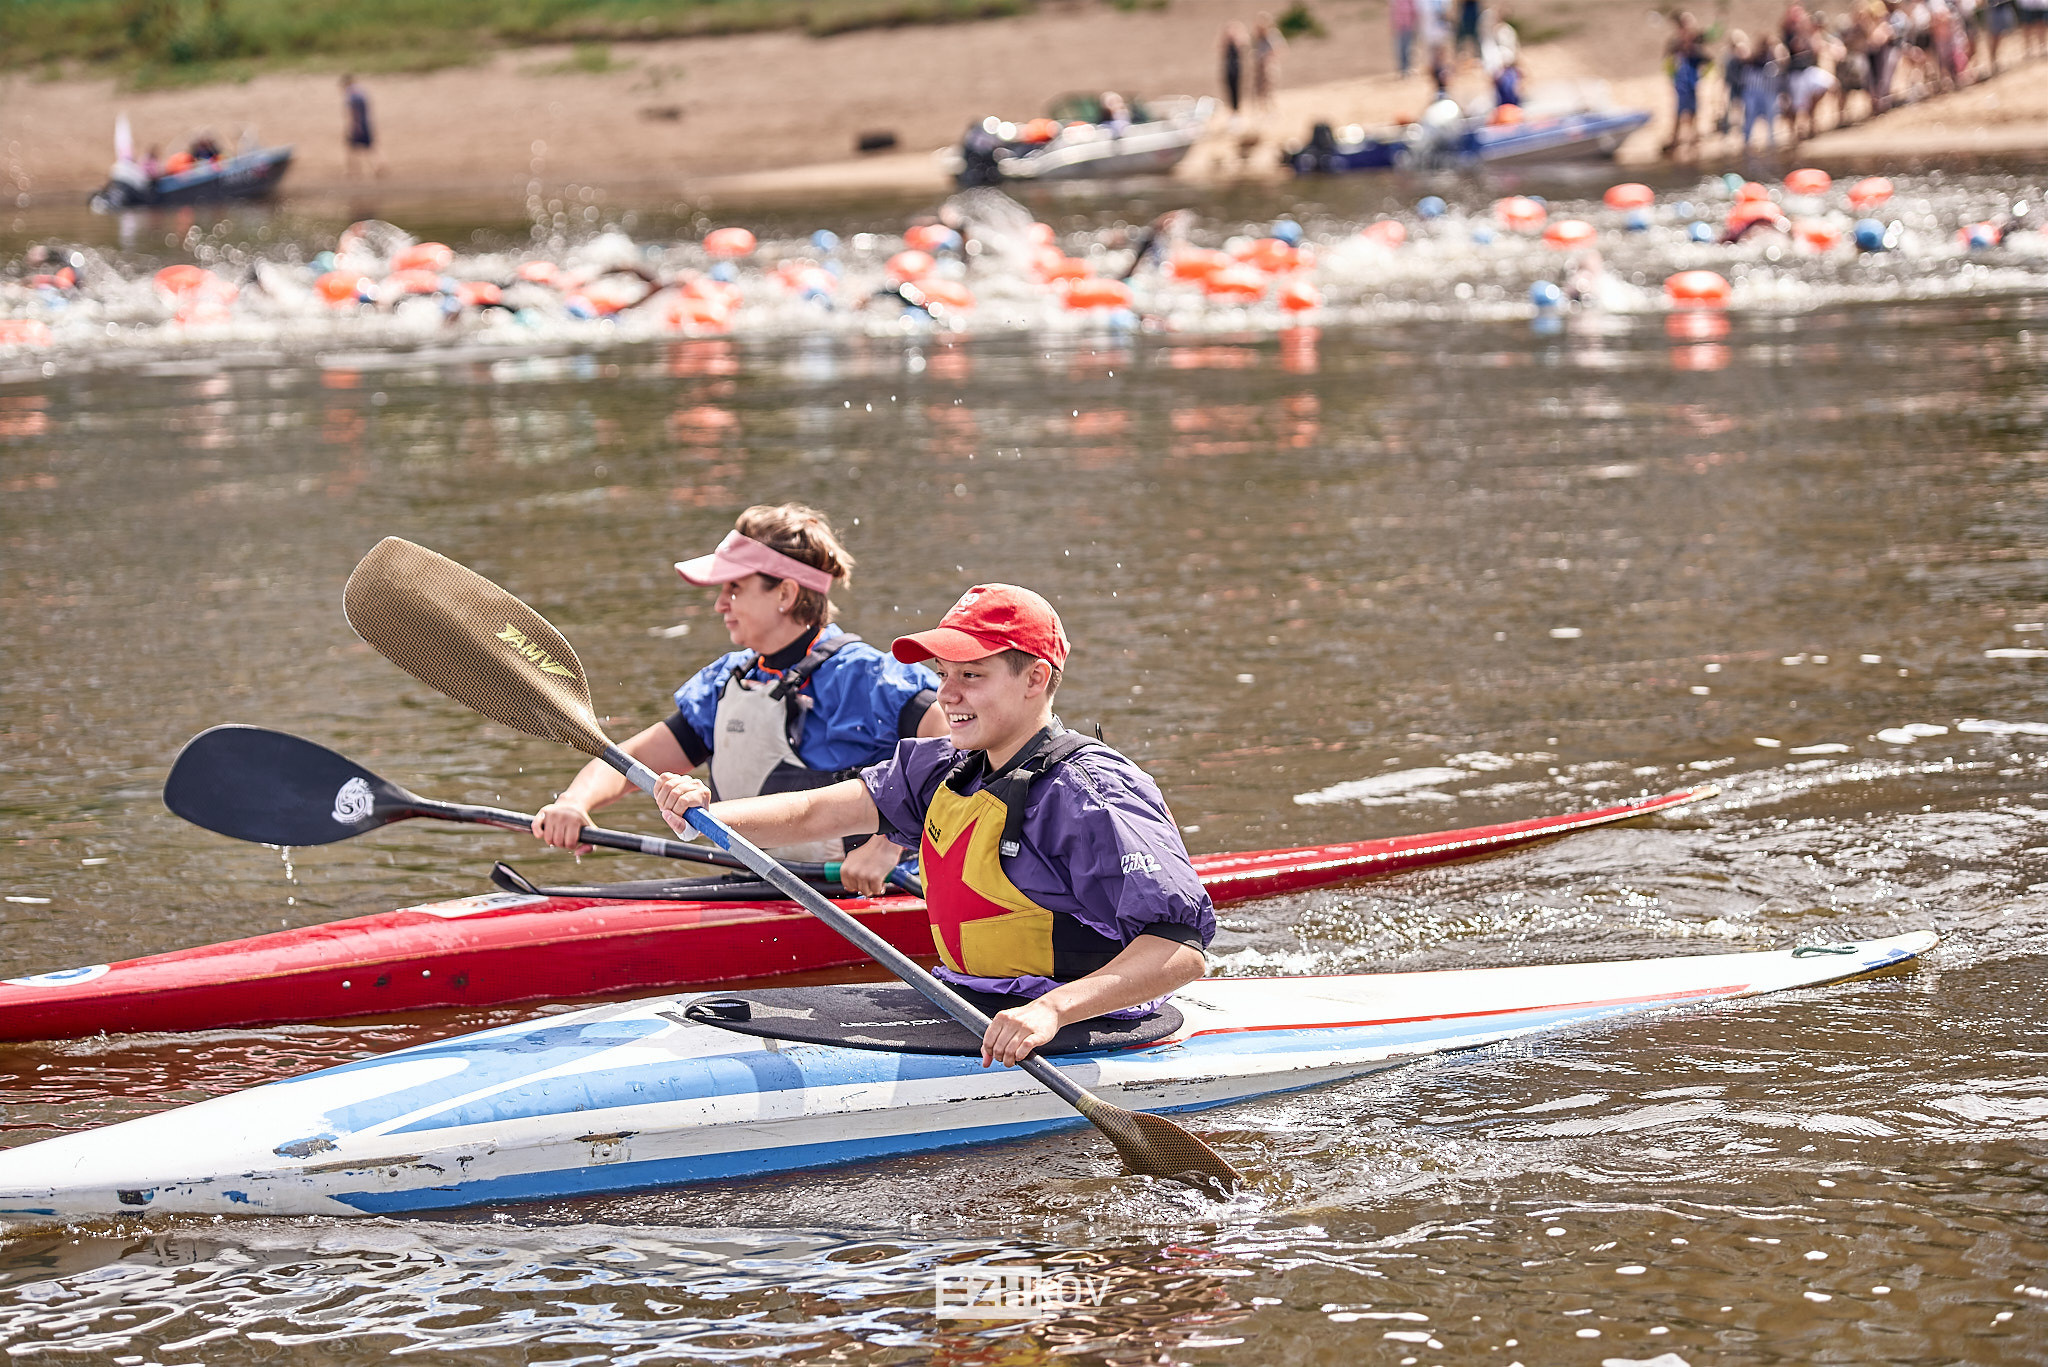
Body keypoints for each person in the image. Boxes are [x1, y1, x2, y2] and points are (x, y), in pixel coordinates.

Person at [649, 584, 1216, 1067]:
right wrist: (704, 814)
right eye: (943, 674)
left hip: (1078, 1019)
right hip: (971, 999)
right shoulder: (938, 768)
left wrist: (1052, 1010)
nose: (948, 694)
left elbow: (1180, 949)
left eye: (971, 674)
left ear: (1035, 678)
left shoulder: (1091, 794)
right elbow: (812, 812)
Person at [532, 504, 946, 890]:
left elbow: (963, 756)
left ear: (785, 594)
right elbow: (632, 762)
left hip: (866, 895)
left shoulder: (870, 678)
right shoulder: (726, 681)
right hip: (757, 888)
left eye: (734, 589)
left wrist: (890, 843)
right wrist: (573, 802)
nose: (719, 605)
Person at [1665, 12, 1709, 156]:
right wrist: (1673, 77)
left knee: (1693, 111)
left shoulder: (1695, 46)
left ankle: (1693, 138)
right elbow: (1667, 63)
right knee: (1679, 111)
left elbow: (1708, 61)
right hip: (1681, 83)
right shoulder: (1675, 45)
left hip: (1692, 82)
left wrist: (1703, 76)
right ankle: (1676, 139)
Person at [342, 74, 379, 178]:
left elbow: (353, 112)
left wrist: (354, 125)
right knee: (369, 147)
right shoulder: (362, 92)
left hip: (357, 124)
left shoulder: (351, 95)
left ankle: (351, 171)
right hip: (366, 123)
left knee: (350, 149)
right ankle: (376, 166)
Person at [1251, 14, 1285, 111]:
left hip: (1269, 66)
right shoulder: (1258, 37)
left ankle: (1273, 109)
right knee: (1260, 89)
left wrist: (1268, 57)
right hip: (1259, 66)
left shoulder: (1272, 35)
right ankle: (1263, 109)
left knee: (1270, 88)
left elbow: (1280, 49)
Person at [1221, 22, 1249, 116]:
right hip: (1229, 68)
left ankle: (1238, 111)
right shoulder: (1226, 43)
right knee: (1229, 90)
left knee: (1238, 90)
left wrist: (1237, 36)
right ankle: (1232, 111)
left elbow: (1246, 42)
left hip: (1237, 68)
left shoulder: (1238, 42)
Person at [1392, 0, 1420, 77]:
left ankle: (1409, 67)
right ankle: (1402, 68)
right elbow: (1393, 13)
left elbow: (1415, 11)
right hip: (1400, 27)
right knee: (1401, 48)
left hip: (1409, 26)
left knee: (1410, 48)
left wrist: (1415, 24)